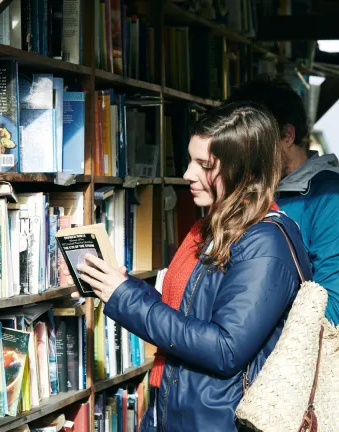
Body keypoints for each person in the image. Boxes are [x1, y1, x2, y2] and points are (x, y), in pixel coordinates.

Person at [71, 102, 313, 431]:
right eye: (190, 160)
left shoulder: (265, 245)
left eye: (204, 164)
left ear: (241, 169)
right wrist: (119, 287)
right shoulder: (215, 227)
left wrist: (126, 298)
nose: (188, 174)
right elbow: (186, 316)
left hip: (221, 421)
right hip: (182, 409)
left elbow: (225, 349)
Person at [226, 74, 339, 326]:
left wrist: (243, 329)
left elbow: (336, 313)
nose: (240, 153)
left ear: (286, 135)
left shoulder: (335, 201)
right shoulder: (247, 191)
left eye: (250, 141)